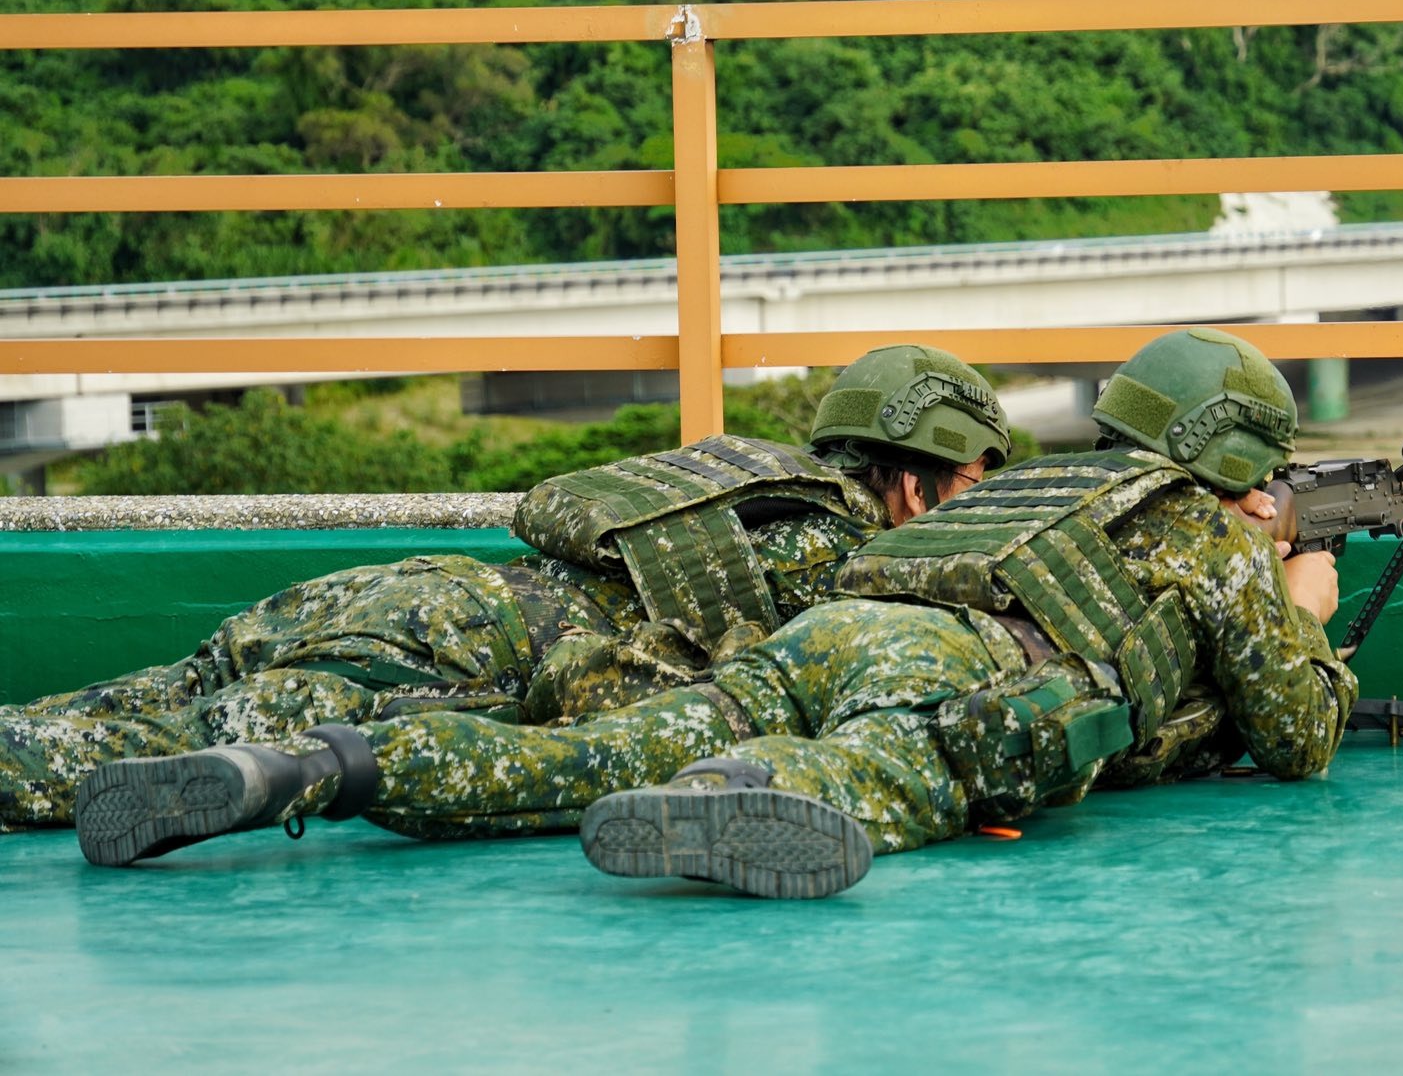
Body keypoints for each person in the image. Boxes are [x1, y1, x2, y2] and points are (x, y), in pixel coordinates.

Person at [74, 328, 1354, 898]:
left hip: (833, 632)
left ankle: (313, 766)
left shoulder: (1045, 486)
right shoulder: (1210, 535)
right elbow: (1292, 738)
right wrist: (1307, 610)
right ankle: (726, 790)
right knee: (866, 768)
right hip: (954, 675)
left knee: (576, 760)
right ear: (1236, 457)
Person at [0, 345, 1009, 829]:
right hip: (441, 662)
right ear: (914, 479)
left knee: (131, 700)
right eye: (970, 485)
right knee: (128, 753)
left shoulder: (757, 483)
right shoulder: (831, 554)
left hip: (409, 593)